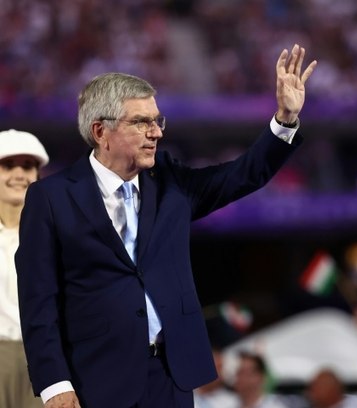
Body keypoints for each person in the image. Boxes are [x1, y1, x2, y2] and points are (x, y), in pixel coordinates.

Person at [15, 44, 316, 408]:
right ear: (100, 131)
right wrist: (54, 384)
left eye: (158, 120)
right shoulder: (51, 198)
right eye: (141, 122)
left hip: (171, 377)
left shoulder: (171, 183)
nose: (156, 132)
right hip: (93, 379)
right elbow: (38, 302)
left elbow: (241, 176)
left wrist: (284, 120)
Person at [0, 129, 49, 408]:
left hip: (43, 357)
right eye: (8, 166)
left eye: (28, 166)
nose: (19, 174)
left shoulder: (55, 235)